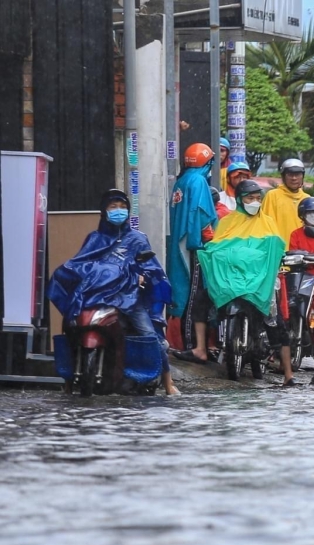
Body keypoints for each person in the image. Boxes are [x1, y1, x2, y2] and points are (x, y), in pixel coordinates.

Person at [49, 189, 179, 396]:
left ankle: (168, 382)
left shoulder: (138, 239)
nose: (118, 211)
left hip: (129, 297)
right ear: (104, 211)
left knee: (149, 335)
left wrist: (141, 275)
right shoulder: (94, 239)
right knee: (71, 327)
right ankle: (68, 381)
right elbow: (80, 263)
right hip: (97, 297)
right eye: (113, 207)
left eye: (123, 207)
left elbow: (152, 268)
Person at [198, 179, 296, 386]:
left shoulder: (268, 222)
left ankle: (288, 373)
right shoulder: (227, 222)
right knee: (201, 299)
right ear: (241, 200)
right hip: (231, 281)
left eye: (257, 198)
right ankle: (200, 347)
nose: (254, 202)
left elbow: (275, 248)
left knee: (276, 323)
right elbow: (218, 246)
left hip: (259, 283)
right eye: (250, 198)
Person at [166, 142, 219, 363]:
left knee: (185, 291)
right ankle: (192, 345)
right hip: (195, 247)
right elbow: (201, 215)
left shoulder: (182, 181)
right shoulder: (198, 181)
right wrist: (207, 241)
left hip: (181, 243)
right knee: (195, 294)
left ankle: (191, 343)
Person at [261, 158, 310, 227]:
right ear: (283, 177)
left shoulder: (307, 199)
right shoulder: (272, 195)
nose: (294, 178)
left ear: (302, 176)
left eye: (297, 174)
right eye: (290, 174)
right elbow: (266, 225)